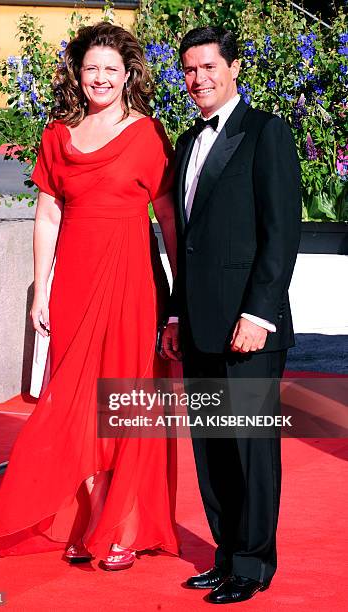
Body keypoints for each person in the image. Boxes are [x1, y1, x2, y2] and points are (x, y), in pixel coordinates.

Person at [0, 22, 179, 571]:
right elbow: (47, 215)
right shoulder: (56, 135)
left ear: (128, 74)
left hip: (133, 281)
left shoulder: (149, 135)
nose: (101, 77)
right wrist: (39, 290)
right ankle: (92, 513)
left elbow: (167, 219)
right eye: (92, 68)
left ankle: (122, 525)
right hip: (75, 283)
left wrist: (180, 297)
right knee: (74, 402)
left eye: (111, 69)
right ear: (78, 73)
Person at [162, 26, 301, 603]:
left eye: (209, 67)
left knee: (250, 451)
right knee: (213, 449)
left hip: (250, 327)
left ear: (235, 67)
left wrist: (259, 314)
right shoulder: (187, 140)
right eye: (190, 70)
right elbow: (184, 241)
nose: (199, 80)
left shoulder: (265, 132)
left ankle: (253, 563)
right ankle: (225, 555)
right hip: (198, 325)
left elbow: (281, 234)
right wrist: (174, 316)